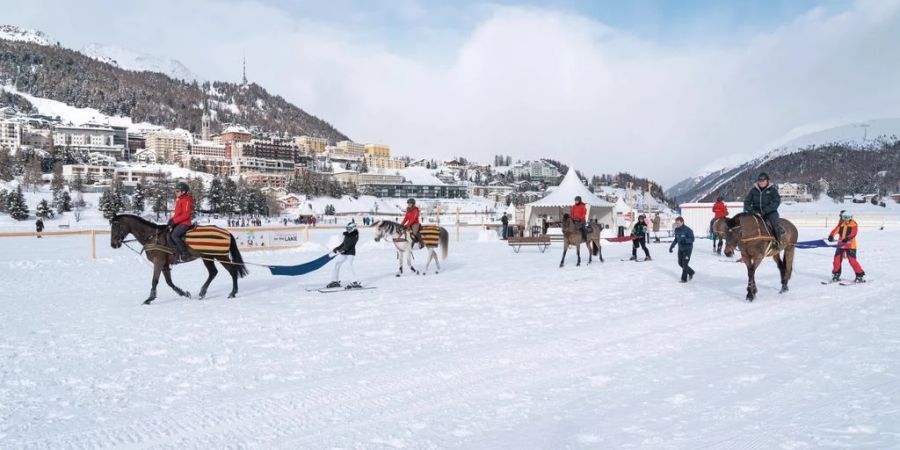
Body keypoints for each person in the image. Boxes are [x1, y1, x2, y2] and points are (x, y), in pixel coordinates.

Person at [743, 173, 783, 245]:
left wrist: (765, 210)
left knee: (775, 224)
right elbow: (747, 202)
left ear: (767, 181)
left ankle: (777, 242)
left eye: (763, 181)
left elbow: (776, 202)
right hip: (755, 212)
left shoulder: (772, 190)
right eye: (760, 181)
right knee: (745, 223)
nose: (761, 182)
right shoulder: (753, 191)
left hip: (770, 212)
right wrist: (752, 211)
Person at [828, 211, 865, 283]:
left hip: (850, 245)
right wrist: (831, 236)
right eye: (844, 217)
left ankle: (859, 275)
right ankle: (836, 274)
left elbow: (853, 233)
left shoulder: (854, 224)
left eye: (848, 217)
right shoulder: (841, 224)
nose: (846, 219)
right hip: (841, 244)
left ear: (851, 217)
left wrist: (847, 238)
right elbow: (835, 230)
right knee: (836, 260)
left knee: (852, 261)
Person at [326, 222, 361, 289]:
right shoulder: (347, 234)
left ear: (354, 228)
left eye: (349, 228)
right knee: (337, 264)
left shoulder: (355, 235)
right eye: (347, 228)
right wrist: (336, 249)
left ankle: (354, 282)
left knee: (349, 265)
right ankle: (335, 281)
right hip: (344, 253)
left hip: (350, 253)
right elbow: (343, 244)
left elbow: (348, 246)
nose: (348, 229)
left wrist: (340, 250)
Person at [167, 181, 194, 262]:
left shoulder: (186, 200)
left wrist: (174, 221)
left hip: (185, 223)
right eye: (175, 190)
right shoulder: (180, 200)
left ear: (184, 192)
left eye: (177, 191)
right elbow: (178, 213)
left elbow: (186, 215)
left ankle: (185, 254)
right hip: (179, 222)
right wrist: (171, 220)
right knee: (168, 234)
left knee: (174, 235)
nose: (176, 192)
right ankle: (174, 253)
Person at [669, 216, 696, 282]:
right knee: (680, 263)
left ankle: (684, 279)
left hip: (688, 249)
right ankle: (691, 272)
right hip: (680, 249)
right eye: (676, 223)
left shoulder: (688, 230)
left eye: (678, 223)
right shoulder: (676, 230)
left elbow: (692, 239)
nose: (677, 225)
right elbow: (676, 239)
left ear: (682, 222)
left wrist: (685, 241)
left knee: (685, 264)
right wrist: (671, 246)